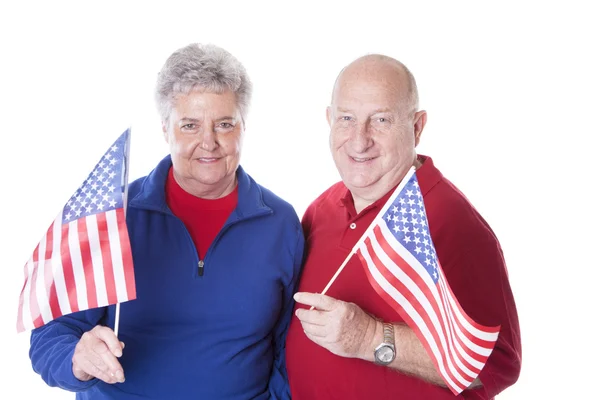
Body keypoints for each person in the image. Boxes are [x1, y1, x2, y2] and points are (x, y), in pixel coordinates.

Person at [28, 43, 304, 400]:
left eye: (224, 124)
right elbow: (51, 333)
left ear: (243, 127)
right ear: (165, 129)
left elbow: (289, 344)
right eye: (190, 125)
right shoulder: (112, 216)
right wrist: (76, 359)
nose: (209, 142)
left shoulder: (280, 222)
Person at [285, 54, 521, 399]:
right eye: (346, 118)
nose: (359, 139)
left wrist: (369, 338)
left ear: (416, 127)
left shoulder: (453, 222)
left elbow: (498, 365)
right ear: (329, 120)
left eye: (381, 119)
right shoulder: (321, 209)